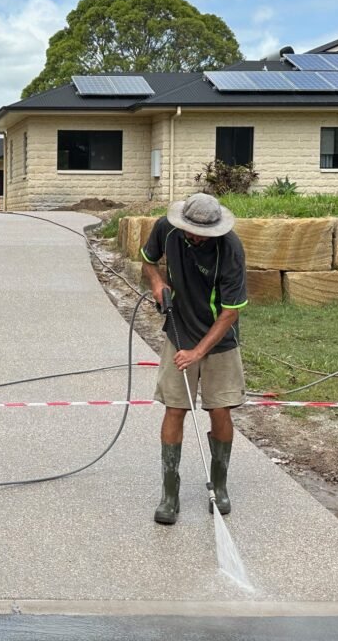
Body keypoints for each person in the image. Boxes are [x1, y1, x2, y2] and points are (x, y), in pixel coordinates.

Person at [140, 193, 248, 525]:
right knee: (175, 408)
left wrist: (198, 352)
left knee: (220, 408)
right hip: (179, 331)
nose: (196, 237)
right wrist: (158, 284)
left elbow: (230, 313)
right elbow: (148, 261)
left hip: (219, 340)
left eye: (203, 233)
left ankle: (219, 486)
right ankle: (169, 494)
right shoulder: (166, 229)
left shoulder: (230, 249)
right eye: (191, 231)